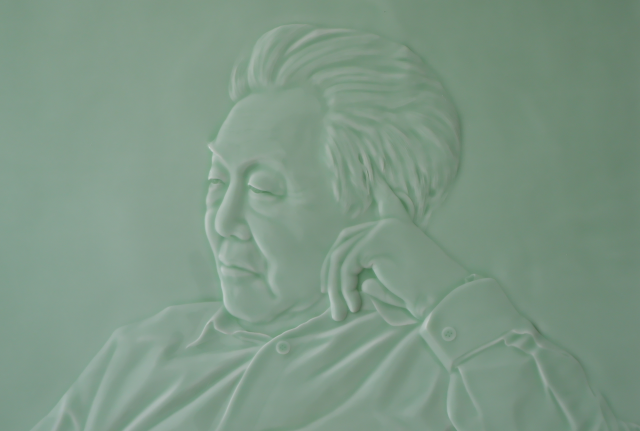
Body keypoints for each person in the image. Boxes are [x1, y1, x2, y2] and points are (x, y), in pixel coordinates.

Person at [32, 24, 638, 431]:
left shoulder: (456, 374)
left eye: (265, 190)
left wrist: (450, 296)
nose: (223, 222)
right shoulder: (141, 354)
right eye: (217, 182)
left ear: (371, 209)